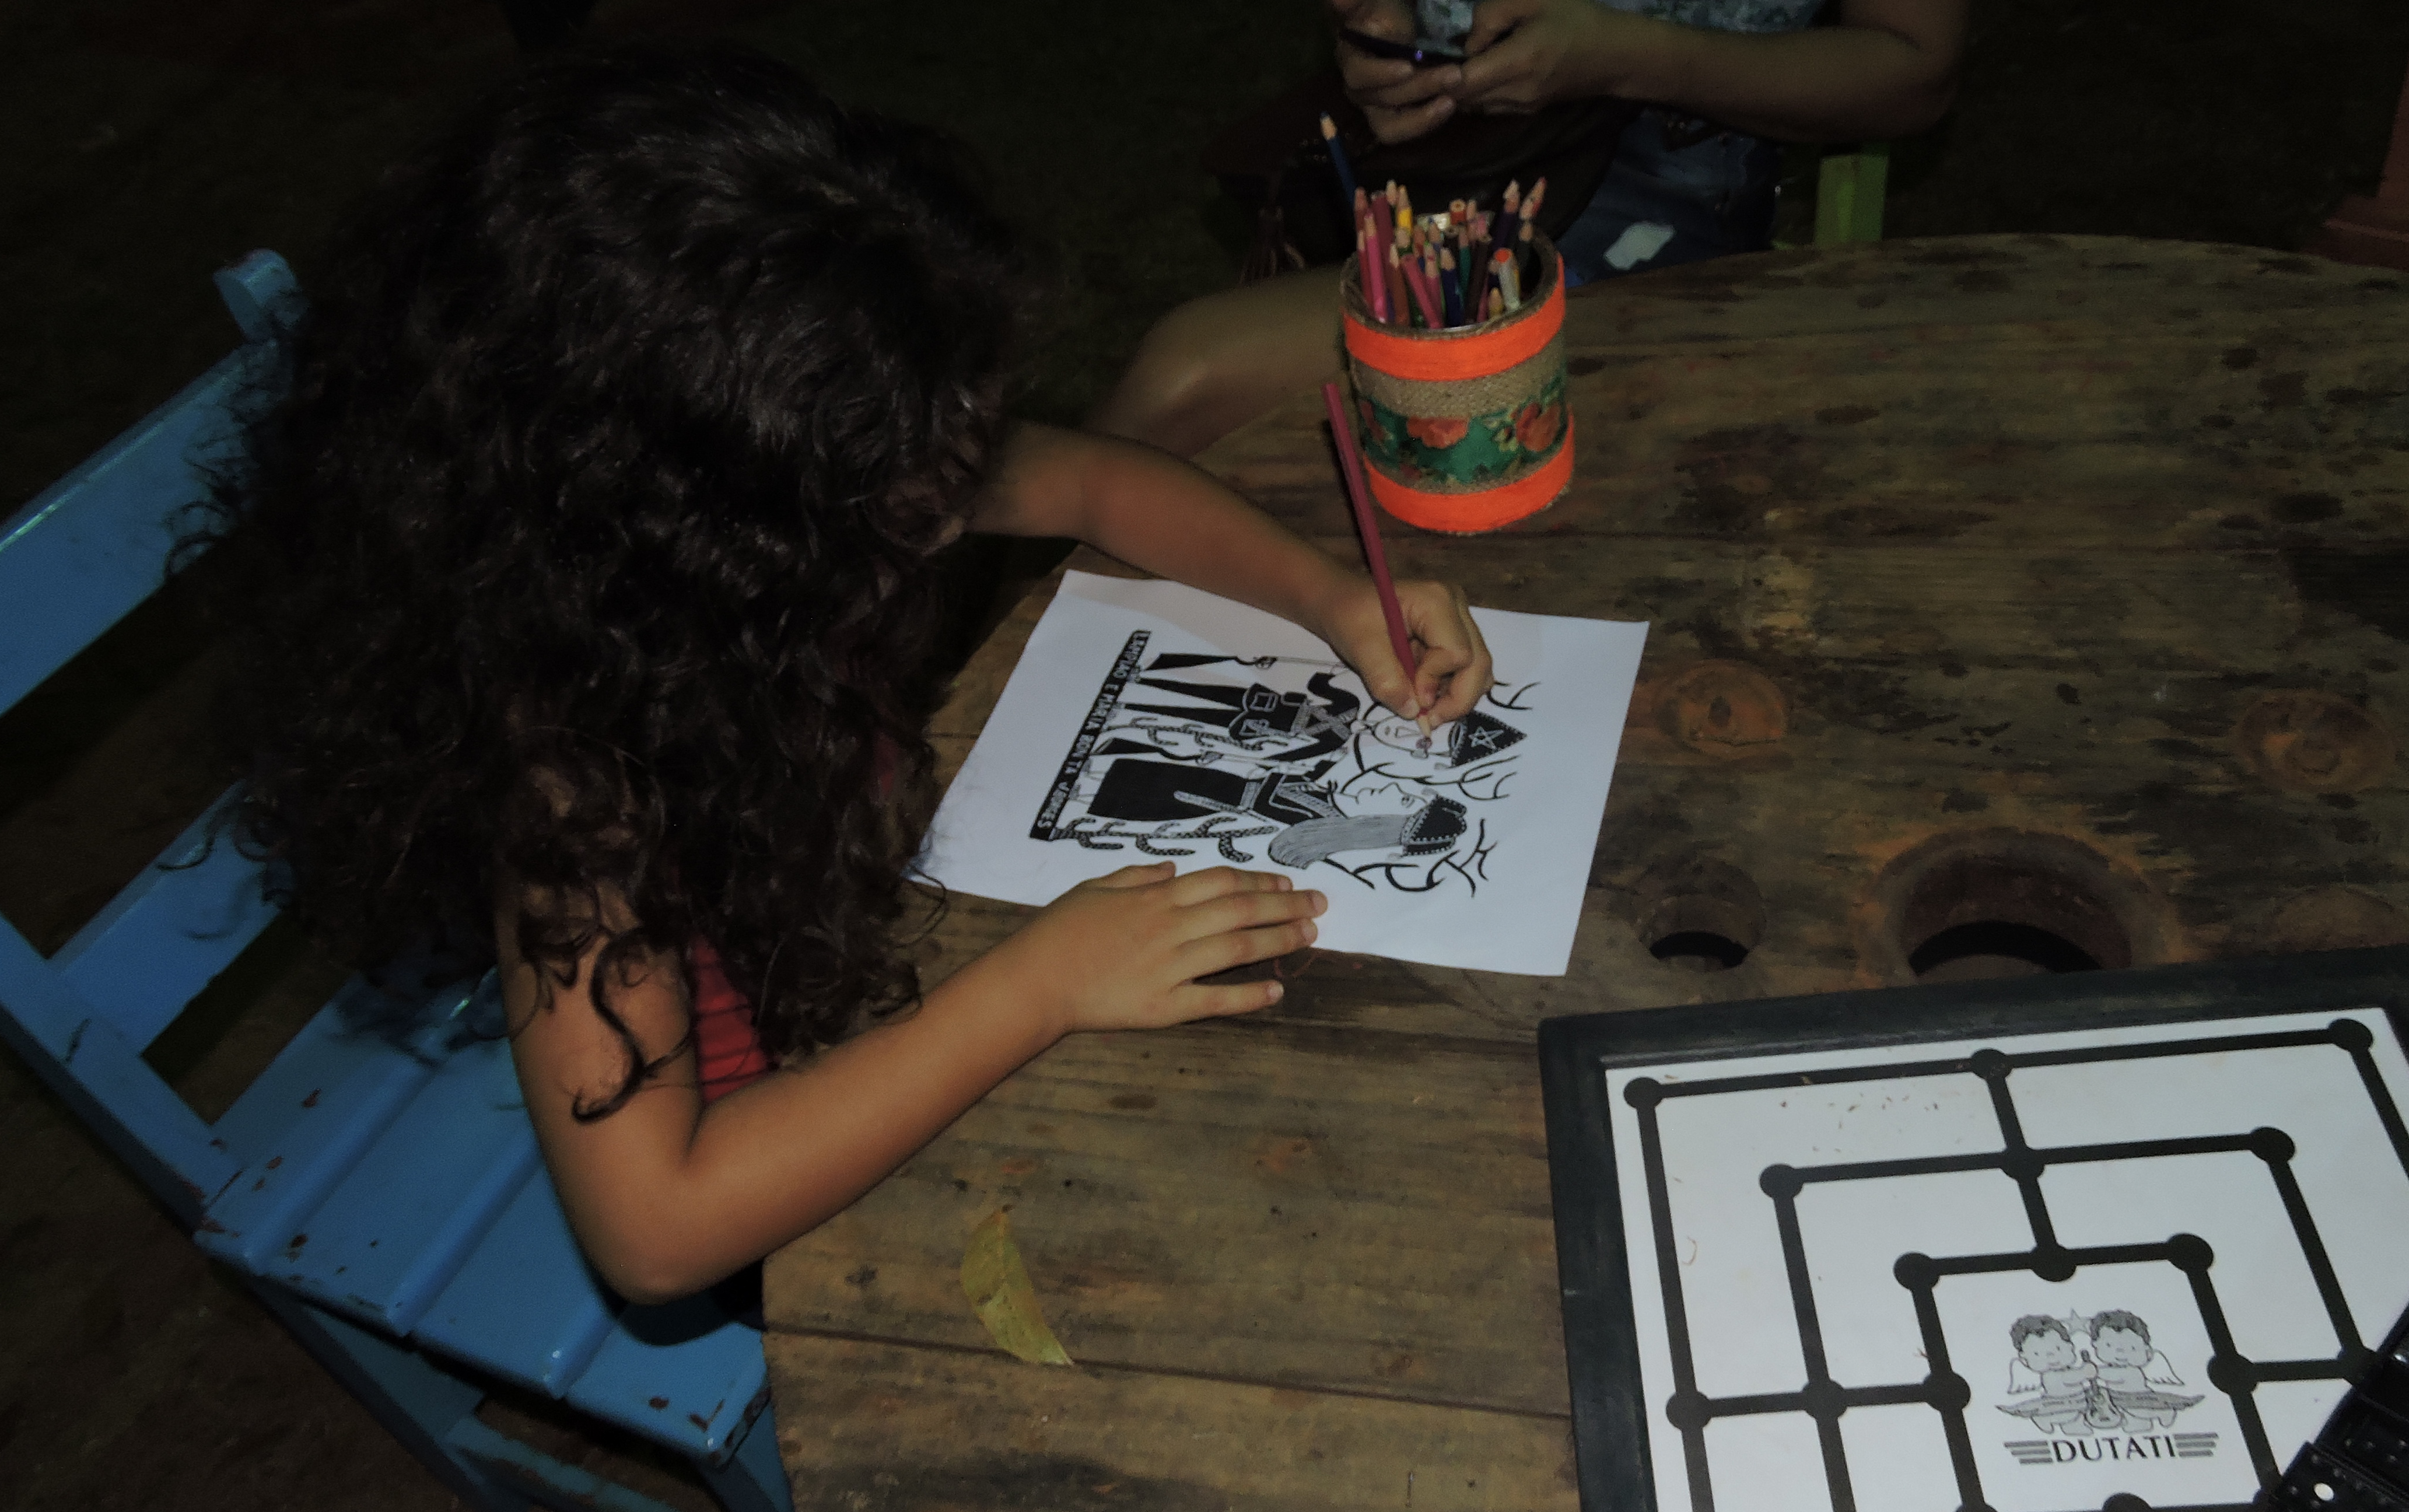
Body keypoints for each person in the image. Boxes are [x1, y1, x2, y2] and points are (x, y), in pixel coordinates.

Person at [202, 43, 1493, 1307]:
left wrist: (1330, 598)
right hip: (796, 1133)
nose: (953, 503)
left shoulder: (809, 473)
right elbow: (659, 1235)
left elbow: (1097, 481)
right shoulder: (575, 786)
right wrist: (1038, 988)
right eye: (910, 495)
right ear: (698, 532)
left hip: (886, 926)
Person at [1090, 0, 1966, 459]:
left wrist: (1627, 57)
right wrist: (1386, 36)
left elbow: (1912, 72)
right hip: (1451, 160)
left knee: (1190, 381)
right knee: (1180, 394)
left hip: (1658, 189)